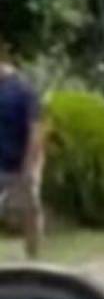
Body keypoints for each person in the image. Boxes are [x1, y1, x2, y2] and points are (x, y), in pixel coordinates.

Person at [0, 39, 45, 260]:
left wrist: (28, 168)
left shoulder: (22, 89)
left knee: (30, 210)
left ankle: (33, 258)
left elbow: (35, 130)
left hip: (22, 159)